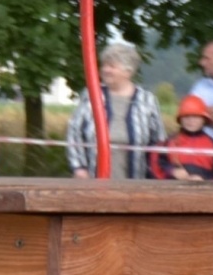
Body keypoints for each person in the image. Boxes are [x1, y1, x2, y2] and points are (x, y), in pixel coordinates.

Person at [66, 42, 165, 180]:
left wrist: (156, 173)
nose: (105, 70)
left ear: (128, 71)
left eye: (111, 66)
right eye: (104, 65)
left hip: (137, 183)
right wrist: (79, 168)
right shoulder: (91, 95)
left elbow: (158, 141)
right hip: (93, 182)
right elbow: (74, 132)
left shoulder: (147, 100)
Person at [149, 95, 213, 181]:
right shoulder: (169, 142)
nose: (191, 120)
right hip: (172, 187)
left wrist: (205, 180)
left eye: (196, 117)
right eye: (186, 116)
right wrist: (172, 171)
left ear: (204, 119)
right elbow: (156, 164)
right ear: (180, 119)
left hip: (204, 189)